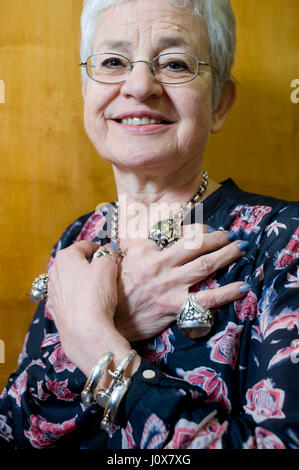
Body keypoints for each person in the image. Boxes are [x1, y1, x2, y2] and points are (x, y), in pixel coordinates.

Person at [0, 0, 298, 450]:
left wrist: (99, 340)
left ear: (220, 102)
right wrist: (118, 316)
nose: (139, 86)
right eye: (114, 62)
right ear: (87, 91)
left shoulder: (284, 240)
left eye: (175, 63)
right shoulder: (78, 240)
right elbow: (11, 432)